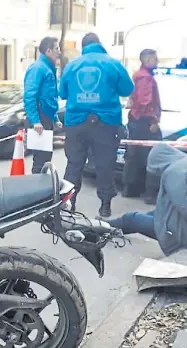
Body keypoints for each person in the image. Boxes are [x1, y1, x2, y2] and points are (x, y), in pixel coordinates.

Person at [106, 144, 187, 256]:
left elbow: (186, 207)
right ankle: (106, 226)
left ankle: (101, 227)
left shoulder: (173, 172)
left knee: (132, 218)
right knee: (154, 213)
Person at [59, 32, 134, 217]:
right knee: (104, 164)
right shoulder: (113, 63)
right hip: (106, 122)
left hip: (76, 122)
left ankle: (69, 204)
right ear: (99, 44)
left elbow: (62, 92)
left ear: (83, 47)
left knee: (74, 164)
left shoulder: (72, 65)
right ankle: (105, 205)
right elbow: (127, 89)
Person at [122, 49, 163, 204]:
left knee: (134, 154)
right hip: (144, 121)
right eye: (154, 58)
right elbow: (146, 102)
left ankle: (130, 188)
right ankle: (150, 193)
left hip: (136, 119)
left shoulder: (138, 76)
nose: (157, 61)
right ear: (146, 61)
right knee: (151, 156)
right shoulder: (146, 78)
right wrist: (153, 121)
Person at [23, 36, 63, 174]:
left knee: (45, 157)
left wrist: (55, 119)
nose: (59, 52)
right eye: (57, 48)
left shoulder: (49, 68)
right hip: (40, 119)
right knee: (40, 159)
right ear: (48, 51)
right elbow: (30, 96)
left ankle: (40, 189)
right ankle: (36, 190)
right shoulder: (38, 68)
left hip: (46, 118)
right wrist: (35, 121)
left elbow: (50, 98)